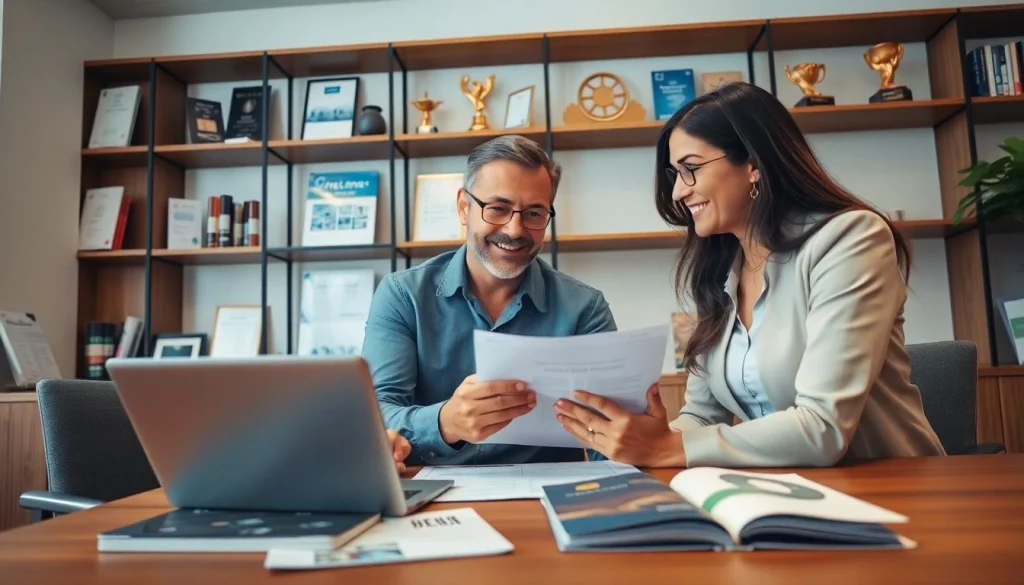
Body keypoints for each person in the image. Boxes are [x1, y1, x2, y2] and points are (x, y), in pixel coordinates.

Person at [553, 82, 946, 468]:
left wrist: (665, 449)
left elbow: (822, 428)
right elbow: (702, 418)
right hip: (792, 494)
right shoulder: (720, 273)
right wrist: (642, 441)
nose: (677, 193)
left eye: (690, 169)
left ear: (754, 164)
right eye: (675, 174)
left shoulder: (850, 239)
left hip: (895, 489)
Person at [363, 134, 616, 466]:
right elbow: (375, 413)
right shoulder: (403, 295)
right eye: (497, 208)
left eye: (534, 213)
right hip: (431, 497)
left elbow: (608, 438)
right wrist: (445, 422)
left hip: (548, 497)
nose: (514, 230)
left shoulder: (585, 308)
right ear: (463, 208)